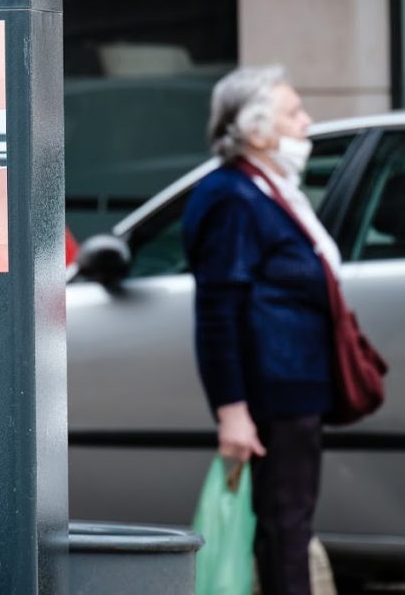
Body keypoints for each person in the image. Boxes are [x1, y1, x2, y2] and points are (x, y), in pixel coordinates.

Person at [183, 65, 336, 595]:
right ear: (255, 129)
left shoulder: (268, 190)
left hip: (291, 392)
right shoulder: (233, 197)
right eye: (294, 113)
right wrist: (232, 413)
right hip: (272, 396)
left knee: (286, 530)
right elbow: (217, 311)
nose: (307, 123)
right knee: (284, 534)